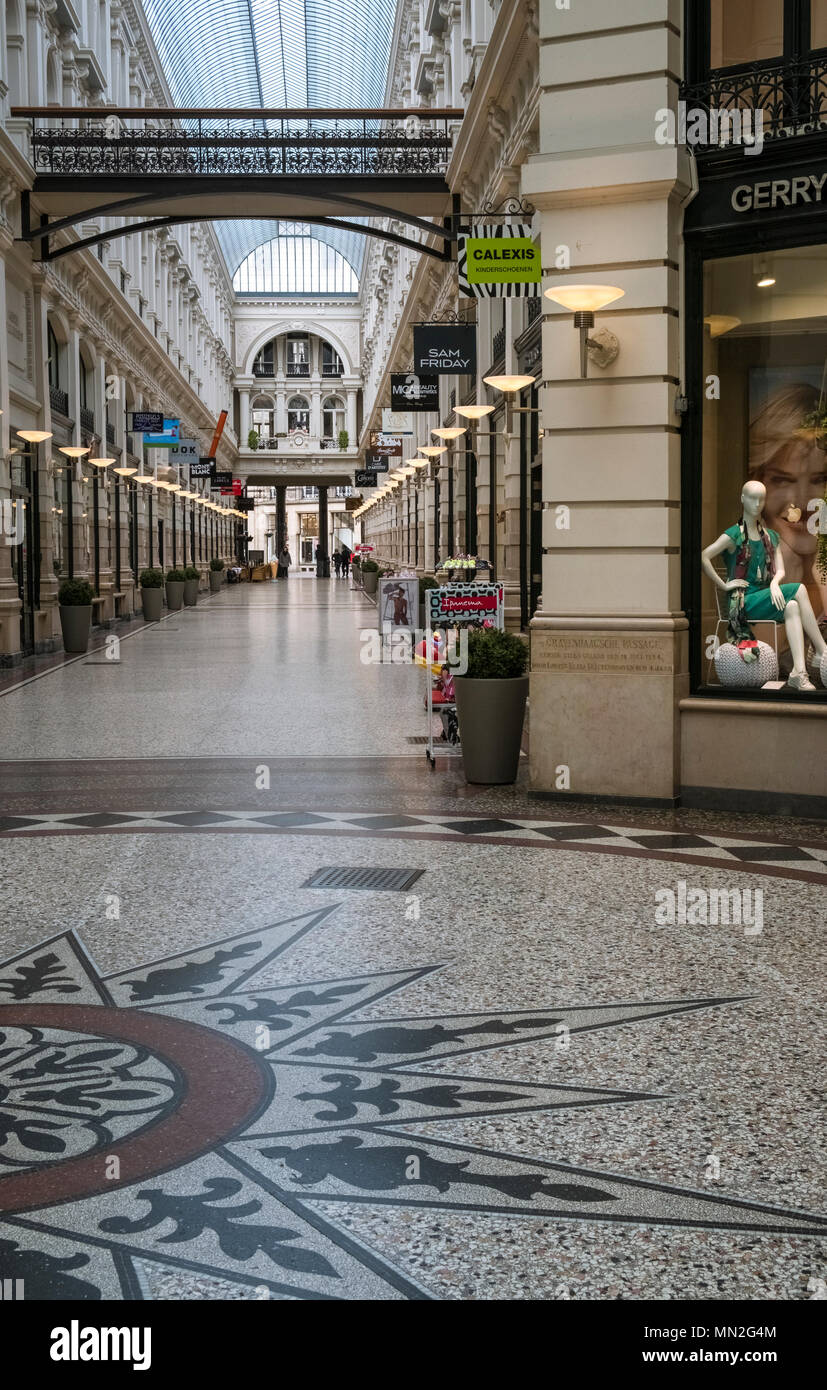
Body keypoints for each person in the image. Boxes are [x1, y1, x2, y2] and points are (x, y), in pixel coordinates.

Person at [702, 479, 827, 692]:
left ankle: (799, 673)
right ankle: (822, 650)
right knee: (799, 589)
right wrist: (724, 585)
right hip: (743, 601)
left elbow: (780, 570)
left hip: (765, 596)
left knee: (792, 606)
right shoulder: (733, 535)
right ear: (743, 499)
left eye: (761, 498)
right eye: (752, 497)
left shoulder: (771, 536)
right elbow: (705, 556)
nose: (757, 503)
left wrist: (776, 584)